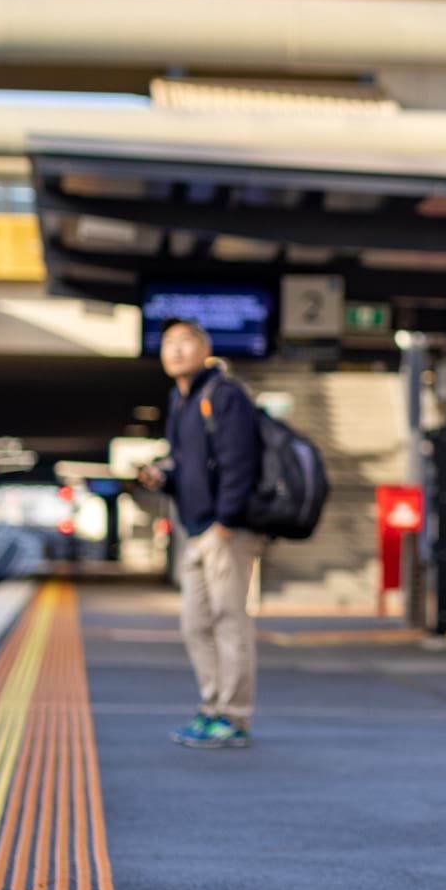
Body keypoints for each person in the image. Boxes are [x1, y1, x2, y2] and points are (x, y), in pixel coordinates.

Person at [138, 318, 266, 749]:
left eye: (184, 342)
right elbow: (186, 465)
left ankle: (234, 717)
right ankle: (212, 708)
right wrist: (163, 478)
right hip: (195, 530)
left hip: (225, 531)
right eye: (168, 343)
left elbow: (240, 463)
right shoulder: (179, 400)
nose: (174, 350)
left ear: (204, 349)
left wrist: (226, 523)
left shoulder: (223, 394)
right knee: (194, 625)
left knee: (229, 622)